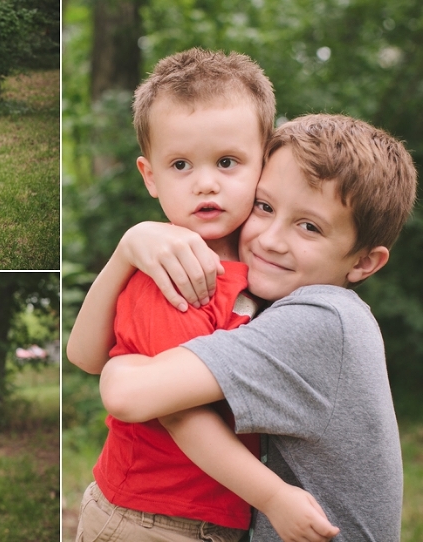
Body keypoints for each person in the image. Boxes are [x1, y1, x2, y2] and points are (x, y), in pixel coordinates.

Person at [77, 114, 416, 541]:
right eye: (265, 207)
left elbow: (130, 394)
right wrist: (130, 246)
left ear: (364, 262)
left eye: (309, 227)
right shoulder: (254, 295)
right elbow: (85, 354)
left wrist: (120, 366)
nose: (271, 239)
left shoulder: (321, 320)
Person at [68, 48, 336, 542]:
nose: (206, 183)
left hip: (209, 515)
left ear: (265, 163)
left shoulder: (264, 266)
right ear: (150, 176)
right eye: (181, 165)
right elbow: (176, 410)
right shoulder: (176, 272)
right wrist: (273, 496)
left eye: (228, 161)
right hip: (150, 519)